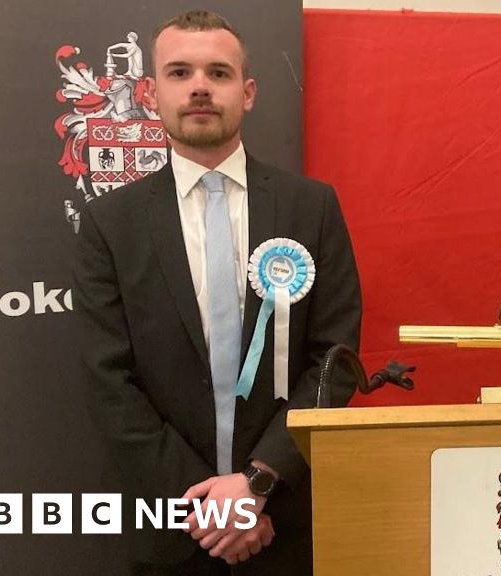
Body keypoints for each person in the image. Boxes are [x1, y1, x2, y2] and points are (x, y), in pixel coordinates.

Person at [73, 10, 361, 575]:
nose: (200, 86)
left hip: (287, 517)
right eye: (180, 72)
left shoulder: (312, 207)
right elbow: (109, 381)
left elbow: (336, 360)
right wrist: (210, 506)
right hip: (172, 527)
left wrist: (258, 481)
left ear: (247, 92)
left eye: (219, 73)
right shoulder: (111, 223)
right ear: (152, 93)